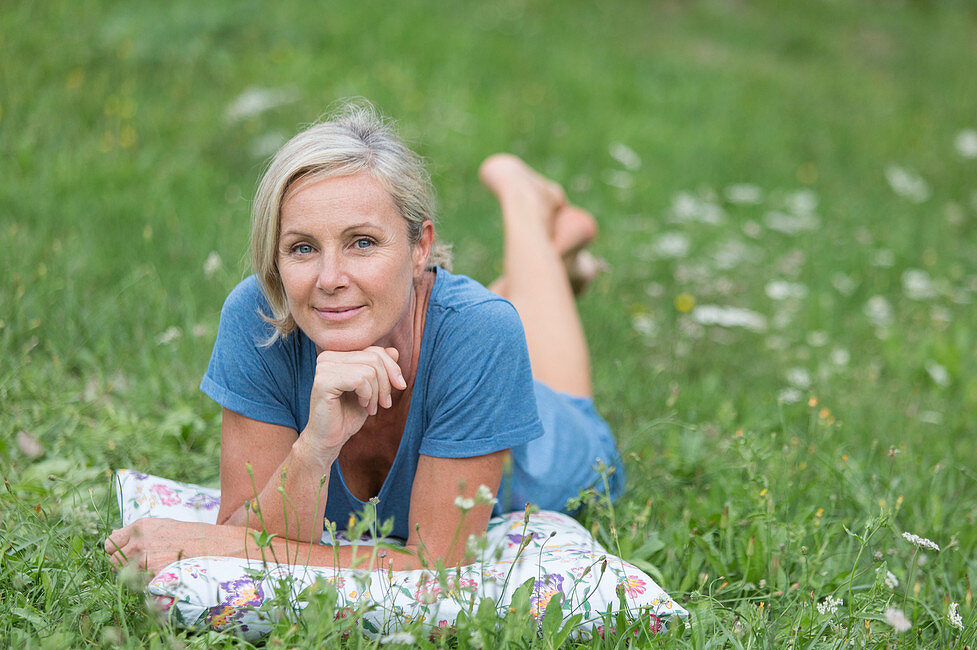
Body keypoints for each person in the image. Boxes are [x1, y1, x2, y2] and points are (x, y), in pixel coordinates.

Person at [105, 102, 624, 575]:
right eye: (303, 248)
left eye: (362, 242)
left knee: (519, 349)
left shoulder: (483, 333)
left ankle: (523, 202)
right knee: (464, 318)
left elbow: (435, 566)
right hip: (437, 323)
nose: (329, 277)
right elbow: (246, 527)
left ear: (421, 247)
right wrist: (315, 447)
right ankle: (553, 261)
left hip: (551, 447)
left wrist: (212, 544)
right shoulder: (261, 315)